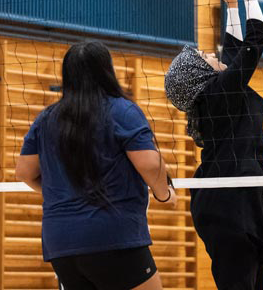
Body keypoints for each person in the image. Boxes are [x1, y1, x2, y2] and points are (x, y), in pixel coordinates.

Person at [16, 41, 176, 290]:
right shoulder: (121, 111)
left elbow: (24, 173)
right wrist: (165, 195)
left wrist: (62, 196)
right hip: (112, 236)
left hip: (61, 243)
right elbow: (150, 164)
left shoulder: (46, 119)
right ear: (106, 71)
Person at [164, 0, 263, 290]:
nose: (208, 52)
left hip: (234, 197)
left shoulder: (217, 93)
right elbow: (255, 40)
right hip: (230, 203)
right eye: (203, 56)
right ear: (201, 75)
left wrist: (231, 4)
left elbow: (231, 52)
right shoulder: (220, 91)